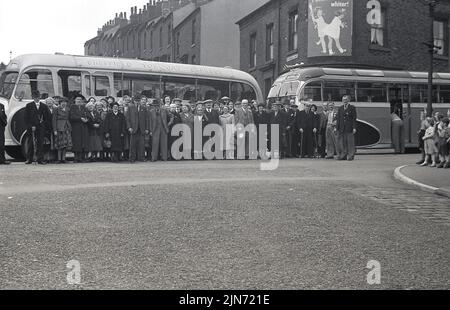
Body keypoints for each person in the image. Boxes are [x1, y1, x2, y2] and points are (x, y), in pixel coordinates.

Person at [25, 90, 52, 164]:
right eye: (35, 97)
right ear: (33, 97)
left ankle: (40, 159)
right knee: (31, 143)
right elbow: (26, 118)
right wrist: (31, 126)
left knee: (40, 143)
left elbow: (47, 117)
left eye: (38, 97)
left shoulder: (44, 106)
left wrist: (44, 125)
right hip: (32, 127)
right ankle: (29, 159)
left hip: (41, 127)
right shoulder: (29, 105)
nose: (37, 98)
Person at [126, 95, 149, 163]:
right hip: (133, 129)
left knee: (142, 145)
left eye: (138, 100)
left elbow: (146, 119)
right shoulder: (130, 107)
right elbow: (127, 118)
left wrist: (147, 128)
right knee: (132, 145)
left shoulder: (144, 108)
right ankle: (132, 158)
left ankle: (141, 157)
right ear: (134, 100)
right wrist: (129, 127)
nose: (137, 102)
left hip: (141, 129)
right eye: (136, 100)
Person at [336, 95, 357, 161]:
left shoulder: (352, 107)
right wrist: (337, 128)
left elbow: (354, 119)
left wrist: (354, 128)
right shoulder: (340, 108)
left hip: (349, 128)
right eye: (343, 100)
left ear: (348, 100)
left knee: (350, 143)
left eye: (345, 99)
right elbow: (338, 119)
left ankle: (351, 156)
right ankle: (344, 155)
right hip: (342, 128)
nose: (344, 101)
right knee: (343, 143)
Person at [69, 95, 90, 163]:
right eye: (77, 99)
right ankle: (76, 158)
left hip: (84, 127)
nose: (79, 100)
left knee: (83, 142)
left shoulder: (84, 107)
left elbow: (88, 115)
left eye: (80, 99)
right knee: (76, 142)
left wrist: (87, 120)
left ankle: (82, 157)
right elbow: (71, 117)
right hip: (76, 127)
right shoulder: (72, 107)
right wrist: (80, 118)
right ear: (75, 100)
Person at [52, 97, 72, 163]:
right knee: (59, 144)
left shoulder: (68, 109)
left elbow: (69, 118)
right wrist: (54, 130)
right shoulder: (56, 109)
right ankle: (59, 159)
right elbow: (54, 120)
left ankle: (63, 159)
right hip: (59, 128)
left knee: (65, 144)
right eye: (62, 102)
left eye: (65, 102)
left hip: (66, 127)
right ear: (60, 103)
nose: (64, 103)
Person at [0, 99, 10, 165]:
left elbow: (4, 116)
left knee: (1, 144)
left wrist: (4, 123)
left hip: (0, 127)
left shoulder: (1, 106)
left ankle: (2, 160)